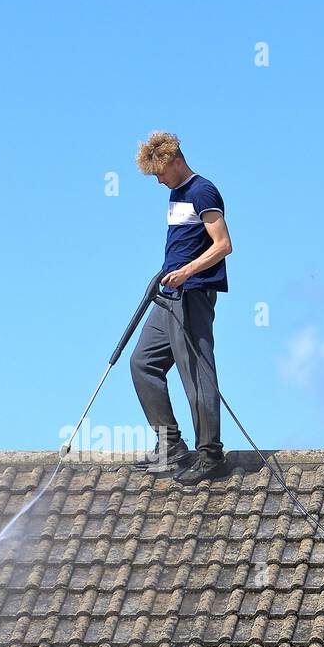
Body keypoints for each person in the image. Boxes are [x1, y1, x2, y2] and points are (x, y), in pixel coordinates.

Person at [130, 131, 233, 486]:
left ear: (177, 161)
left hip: (194, 294)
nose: (158, 180)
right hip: (170, 296)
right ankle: (170, 445)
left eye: (161, 172)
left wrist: (186, 272)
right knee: (143, 362)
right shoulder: (176, 194)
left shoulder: (202, 190)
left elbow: (223, 245)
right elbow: (184, 244)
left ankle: (210, 454)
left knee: (195, 372)